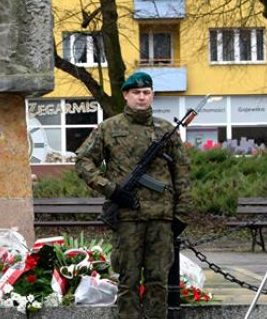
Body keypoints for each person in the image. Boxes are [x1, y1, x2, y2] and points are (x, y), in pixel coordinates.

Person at [75, 72, 192, 319]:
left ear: (152, 95)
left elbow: (182, 172)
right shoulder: (109, 128)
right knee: (127, 279)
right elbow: (83, 161)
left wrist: (181, 213)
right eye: (136, 93)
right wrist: (109, 188)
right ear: (126, 95)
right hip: (128, 217)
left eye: (146, 92)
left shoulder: (166, 130)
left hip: (161, 217)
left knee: (158, 281)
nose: (142, 97)